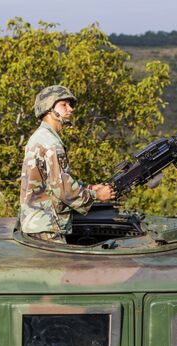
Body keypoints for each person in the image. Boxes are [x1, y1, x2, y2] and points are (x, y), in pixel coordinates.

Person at [19, 85, 115, 244]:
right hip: (48, 227)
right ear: (49, 109)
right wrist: (97, 195)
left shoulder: (40, 137)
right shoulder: (51, 143)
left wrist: (88, 187)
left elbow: (52, 182)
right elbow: (62, 188)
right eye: (64, 104)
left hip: (38, 222)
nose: (70, 109)